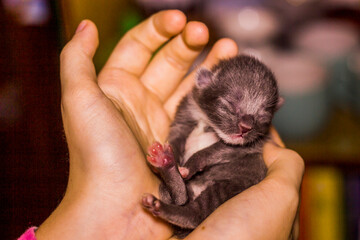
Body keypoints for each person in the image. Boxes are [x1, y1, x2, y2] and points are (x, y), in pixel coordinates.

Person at [19, 10, 304, 240]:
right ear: (204, 84)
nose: (246, 125)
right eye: (232, 106)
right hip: (183, 190)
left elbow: (217, 159)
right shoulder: (190, 106)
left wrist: (192, 166)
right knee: (173, 186)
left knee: (218, 189)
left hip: (225, 185)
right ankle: (174, 194)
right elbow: (176, 141)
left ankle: (180, 207)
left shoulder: (248, 145)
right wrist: (175, 166)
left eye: (262, 117)